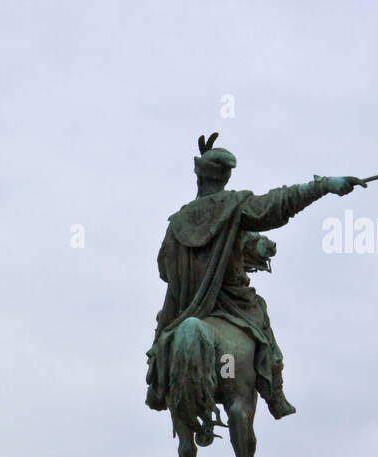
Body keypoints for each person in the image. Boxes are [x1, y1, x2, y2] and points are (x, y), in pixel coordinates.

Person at [145, 134, 362, 419]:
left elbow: (164, 269)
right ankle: (275, 393)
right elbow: (277, 203)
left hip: (186, 307)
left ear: (199, 177)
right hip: (231, 303)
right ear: (225, 178)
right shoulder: (234, 206)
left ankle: (157, 384)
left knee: (164, 333)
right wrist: (322, 186)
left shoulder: (176, 224)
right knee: (260, 313)